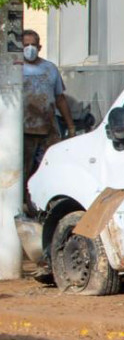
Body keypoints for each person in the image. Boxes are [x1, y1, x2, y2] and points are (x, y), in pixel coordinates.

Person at [21, 29, 72, 211]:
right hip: (23, 131)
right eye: (26, 45)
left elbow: (60, 98)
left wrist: (71, 126)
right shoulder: (14, 68)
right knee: (24, 171)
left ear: (40, 46)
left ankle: (47, 205)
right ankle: (25, 205)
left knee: (51, 167)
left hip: (48, 128)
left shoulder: (50, 68)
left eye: (33, 45)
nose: (30, 48)